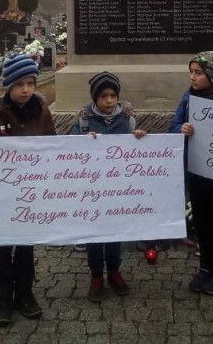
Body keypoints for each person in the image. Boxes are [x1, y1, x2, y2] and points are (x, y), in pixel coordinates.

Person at [0, 53, 55, 328]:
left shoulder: (42, 113)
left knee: (26, 248)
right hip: (0, 198)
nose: (26, 89)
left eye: (30, 83)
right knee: (2, 250)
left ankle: (26, 293)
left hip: (30, 195)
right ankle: (3, 296)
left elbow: (53, 149)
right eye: (19, 84)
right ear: (8, 86)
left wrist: (54, 188)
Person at [71, 71, 146, 302]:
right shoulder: (84, 120)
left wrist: (139, 137)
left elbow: (135, 150)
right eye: (103, 96)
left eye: (113, 95)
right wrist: (84, 141)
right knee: (95, 235)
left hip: (118, 187)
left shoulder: (127, 118)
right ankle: (96, 276)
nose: (109, 100)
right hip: (93, 189)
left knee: (115, 233)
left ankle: (114, 271)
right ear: (95, 98)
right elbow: (70, 149)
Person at [169, 51, 213, 296]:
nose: (193, 77)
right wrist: (182, 128)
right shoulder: (188, 99)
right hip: (197, 172)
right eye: (191, 72)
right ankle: (207, 266)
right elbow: (173, 125)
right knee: (203, 222)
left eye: (198, 73)